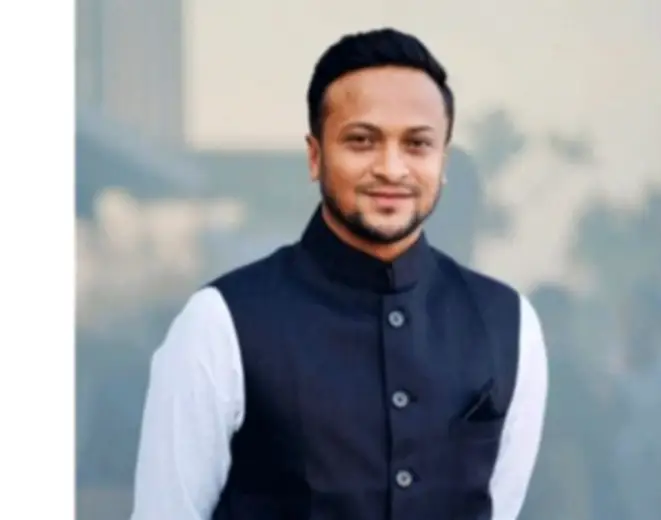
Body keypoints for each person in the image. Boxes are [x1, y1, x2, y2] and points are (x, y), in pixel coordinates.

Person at [130, 27, 549, 520]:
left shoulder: (508, 324)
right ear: (315, 156)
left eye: (417, 144)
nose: (392, 168)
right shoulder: (220, 323)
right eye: (362, 141)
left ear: (443, 161)